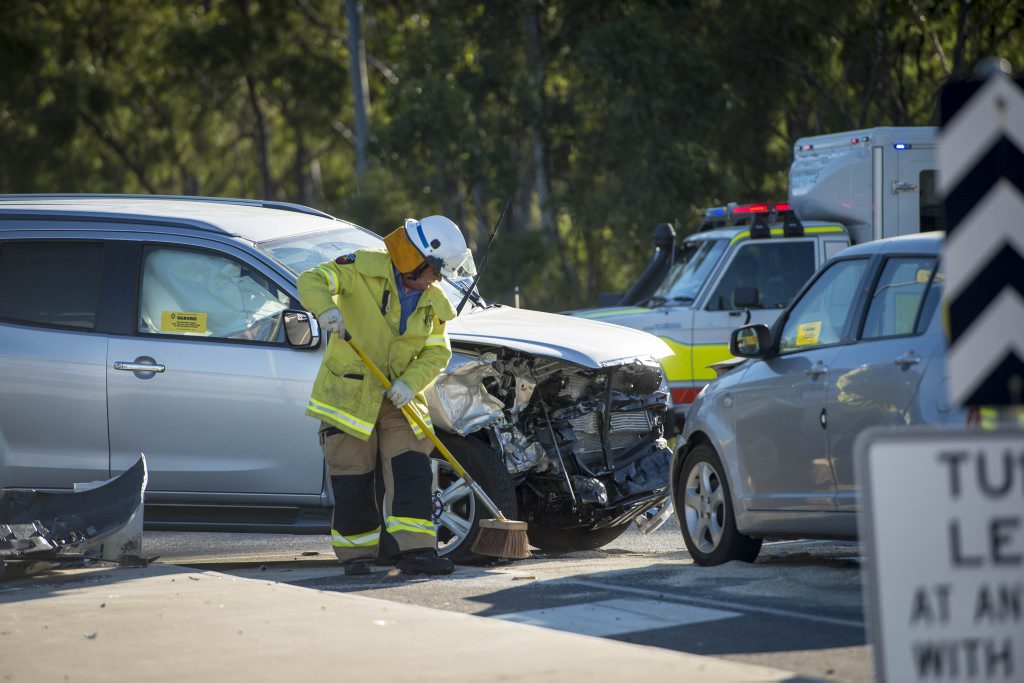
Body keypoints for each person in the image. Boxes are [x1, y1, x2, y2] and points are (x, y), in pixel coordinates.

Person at [297, 215, 476, 576]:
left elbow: (436, 352)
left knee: (411, 472)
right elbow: (312, 279)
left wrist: (410, 383)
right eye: (437, 270)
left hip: (400, 399)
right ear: (416, 262)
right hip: (349, 396)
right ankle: (357, 556)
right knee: (352, 477)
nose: (438, 280)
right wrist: (326, 309)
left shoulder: (434, 302)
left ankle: (417, 553)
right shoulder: (359, 269)